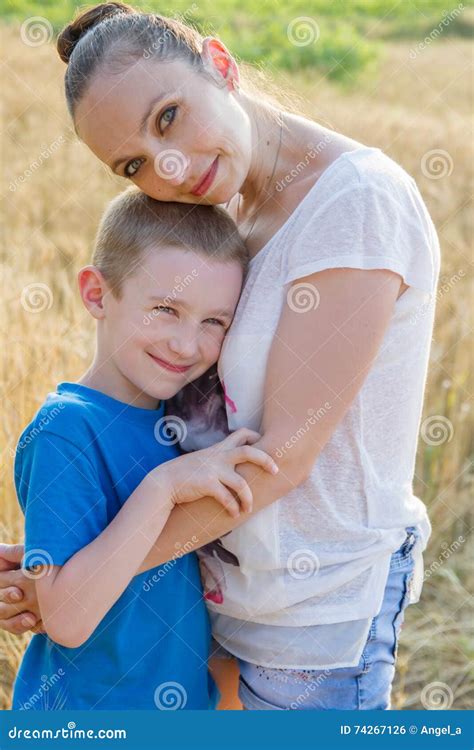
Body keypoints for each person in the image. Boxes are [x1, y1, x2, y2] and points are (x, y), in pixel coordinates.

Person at [0, 3, 440, 710]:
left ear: (222, 64)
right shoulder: (225, 217)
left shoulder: (353, 202)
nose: (168, 166)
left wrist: (78, 585)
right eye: (135, 163)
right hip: (215, 614)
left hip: (312, 623)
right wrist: (62, 558)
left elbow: (281, 459)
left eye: (169, 115)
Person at [10, 187, 278, 710]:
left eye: (213, 322)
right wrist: (164, 487)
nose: (186, 344)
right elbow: (66, 619)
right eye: (164, 308)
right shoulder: (66, 430)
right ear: (96, 294)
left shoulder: (182, 426)